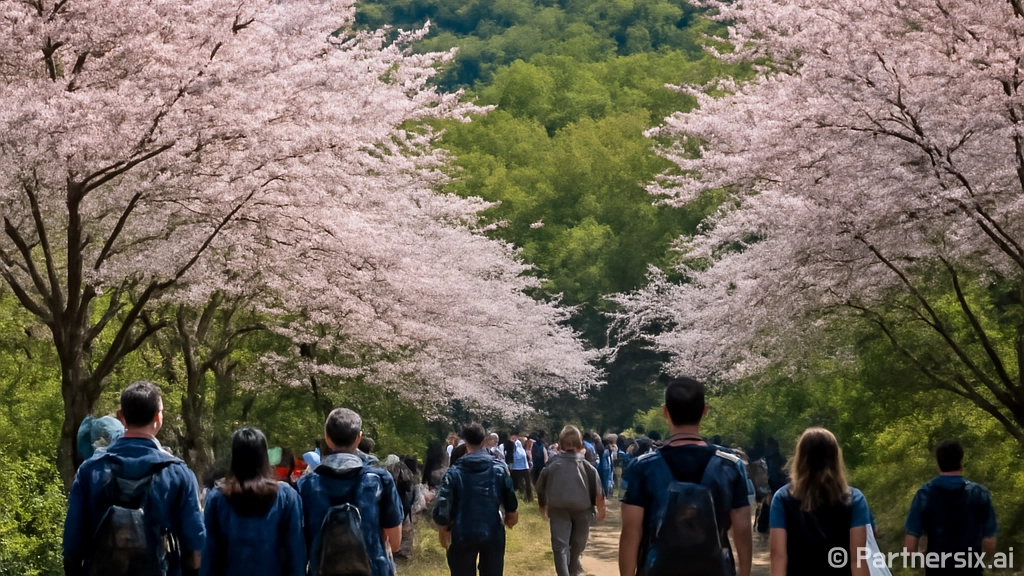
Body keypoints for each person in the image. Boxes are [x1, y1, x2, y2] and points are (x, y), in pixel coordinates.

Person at [63, 381, 205, 576]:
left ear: (122, 417)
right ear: (158, 417)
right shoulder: (178, 473)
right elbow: (195, 546)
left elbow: (72, 545)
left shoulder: (89, 471)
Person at [619, 377, 752, 576]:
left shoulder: (642, 467)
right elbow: (742, 530)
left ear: (666, 412)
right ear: (704, 411)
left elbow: (631, 532)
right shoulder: (731, 467)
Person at [298, 408, 404, 576]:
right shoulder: (380, 480)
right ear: (359, 438)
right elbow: (396, 543)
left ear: (327, 437)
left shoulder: (306, 485)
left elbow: (300, 543)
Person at [201, 428, 305, 576]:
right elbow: (295, 553)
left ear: (235, 457)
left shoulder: (217, 499)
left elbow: (209, 557)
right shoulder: (287, 498)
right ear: (264, 456)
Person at [768, 428, 871, 576]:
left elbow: (778, 556)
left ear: (801, 458)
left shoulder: (783, 498)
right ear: (835, 457)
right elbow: (857, 561)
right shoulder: (854, 499)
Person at [433, 423, 519, 576]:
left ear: (465, 443)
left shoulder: (454, 472)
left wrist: (443, 527)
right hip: (492, 529)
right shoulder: (498, 469)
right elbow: (510, 498)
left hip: (462, 531)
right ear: (483, 441)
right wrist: (511, 513)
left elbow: (443, 504)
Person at [904, 439, 998, 575]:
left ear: (938, 464)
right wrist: (988, 559)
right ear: (961, 462)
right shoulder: (979, 493)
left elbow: (910, 544)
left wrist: (917, 560)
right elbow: (989, 540)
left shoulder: (924, 493)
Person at [536, 426, 607, 576]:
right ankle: (573, 570)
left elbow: (540, 486)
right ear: (581, 446)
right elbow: (598, 492)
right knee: (577, 546)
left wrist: (542, 504)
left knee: (560, 546)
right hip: (583, 511)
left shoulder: (552, 465)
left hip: (558, 510)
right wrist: (601, 510)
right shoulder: (588, 467)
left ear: (560, 445)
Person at [508, 429, 533, 503]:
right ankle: (516, 497)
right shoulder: (510, 444)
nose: (515, 437)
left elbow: (522, 453)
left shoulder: (518, 443)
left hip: (523, 466)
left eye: (516, 435)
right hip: (516, 467)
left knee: (527, 483)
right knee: (516, 483)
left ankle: (529, 497)